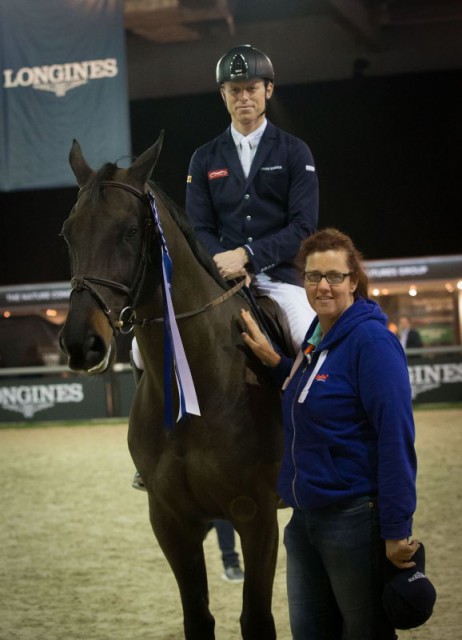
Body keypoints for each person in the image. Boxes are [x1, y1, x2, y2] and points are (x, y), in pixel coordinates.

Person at [240, 227, 419, 639]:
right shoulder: (316, 338)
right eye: (312, 275)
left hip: (353, 520)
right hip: (304, 522)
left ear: (353, 281)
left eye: (334, 276)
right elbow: (313, 391)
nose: (323, 286)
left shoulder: (371, 341)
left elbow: (396, 439)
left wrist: (396, 529)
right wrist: (277, 363)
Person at [185, 43, 319, 352]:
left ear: (268, 89)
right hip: (219, 279)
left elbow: (303, 228)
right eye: (235, 90)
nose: (243, 97)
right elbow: (198, 228)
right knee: (143, 349)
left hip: (281, 280)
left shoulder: (294, 151)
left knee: (310, 345)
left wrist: (246, 257)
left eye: (251, 88)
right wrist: (223, 263)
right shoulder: (204, 158)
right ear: (223, 94)